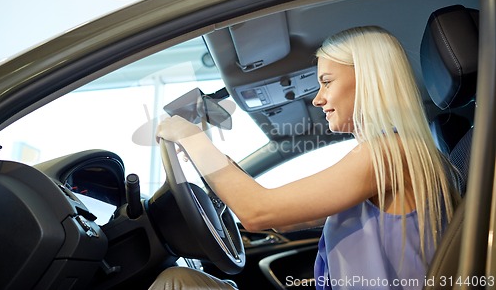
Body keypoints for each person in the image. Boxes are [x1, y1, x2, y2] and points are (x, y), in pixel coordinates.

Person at [151, 26, 457, 290]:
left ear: (368, 79)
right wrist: (210, 160)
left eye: (327, 81)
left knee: (176, 282)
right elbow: (284, 220)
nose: (317, 98)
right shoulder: (400, 152)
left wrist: (190, 136)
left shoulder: (387, 153)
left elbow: (257, 212)